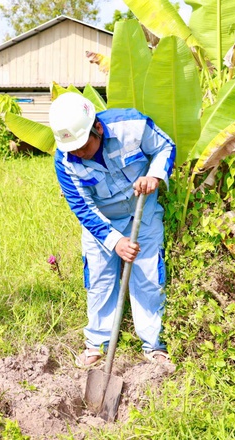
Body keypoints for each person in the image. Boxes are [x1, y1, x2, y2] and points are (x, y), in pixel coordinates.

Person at [48, 92, 176, 367]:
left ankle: (153, 345)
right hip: (101, 225)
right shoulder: (66, 162)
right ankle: (97, 344)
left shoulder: (131, 125)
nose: (80, 153)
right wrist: (114, 240)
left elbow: (165, 147)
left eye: (84, 146)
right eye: (74, 150)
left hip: (143, 213)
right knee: (99, 282)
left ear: (98, 127)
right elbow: (82, 208)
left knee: (148, 277)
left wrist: (154, 175)